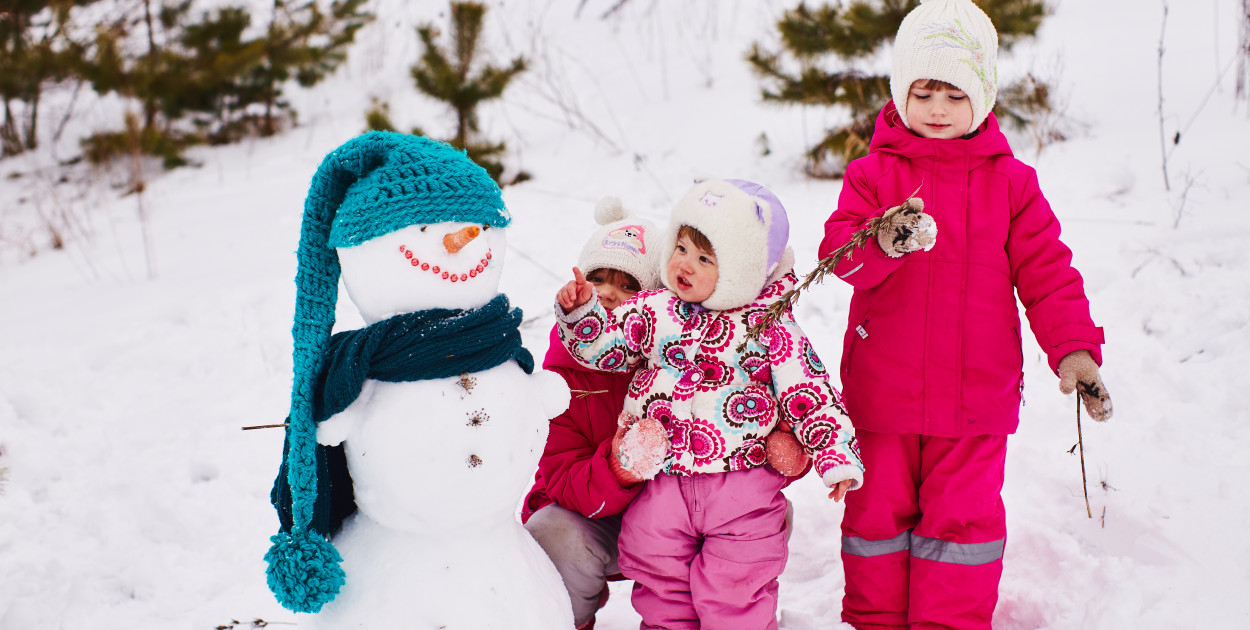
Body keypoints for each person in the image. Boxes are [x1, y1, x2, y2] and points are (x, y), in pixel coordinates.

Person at [818, 1, 1114, 628]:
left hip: (973, 398)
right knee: (876, 520)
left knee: (963, 526)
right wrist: (881, 240)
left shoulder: (1013, 185)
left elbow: (1048, 273)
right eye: (923, 92)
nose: (936, 109)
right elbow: (840, 259)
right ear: (901, 93)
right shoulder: (872, 176)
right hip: (883, 393)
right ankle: (874, 621)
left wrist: (1074, 349)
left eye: (954, 94)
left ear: (981, 97)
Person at [554, 176, 864, 630]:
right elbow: (608, 349)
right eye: (681, 248)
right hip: (662, 483)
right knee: (660, 582)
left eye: (705, 258)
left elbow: (811, 392)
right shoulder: (655, 309)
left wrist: (834, 456)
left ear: (741, 270)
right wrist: (584, 316)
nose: (685, 266)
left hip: (740, 486)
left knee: (735, 589)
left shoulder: (768, 326)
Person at [521, 197, 664, 630]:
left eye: (628, 286)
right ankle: (567, 620)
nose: (606, 293)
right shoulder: (561, 374)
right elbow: (559, 474)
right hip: (588, 517)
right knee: (551, 530)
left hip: (667, 521)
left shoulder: (676, 362)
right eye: (597, 278)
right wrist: (617, 469)